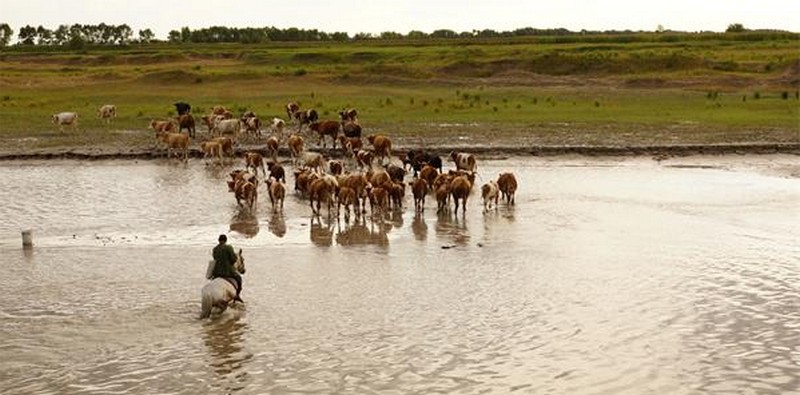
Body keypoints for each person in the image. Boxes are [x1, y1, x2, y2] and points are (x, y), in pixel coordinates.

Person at [211, 234, 243, 303]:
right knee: (239, 278)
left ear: (218, 240)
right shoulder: (229, 247)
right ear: (226, 240)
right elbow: (233, 259)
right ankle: (237, 295)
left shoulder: (215, 249)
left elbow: (215, 258)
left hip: (216, 272)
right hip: (227, 271)